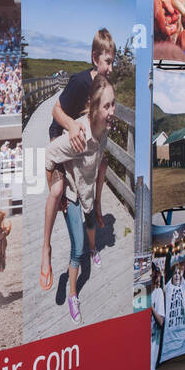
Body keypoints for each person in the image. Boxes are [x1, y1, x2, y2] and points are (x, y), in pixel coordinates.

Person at [39, 29, 114, 290]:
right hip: (61, 133)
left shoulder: (104, 88)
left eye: (113, 61)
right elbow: (55, 109)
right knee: (58, 189)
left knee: (91, 176)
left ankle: (89, 242)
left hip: (83, 143)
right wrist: (70, 125)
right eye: (108, 61)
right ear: (95, 59)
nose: (111, 67)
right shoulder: (82, 82)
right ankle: (46, 248)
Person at [44, 75, 116, 324]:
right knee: (78, 248)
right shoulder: (79, 136)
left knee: (92, 226)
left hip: (87, 193)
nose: (112, 111)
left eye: (113, 104)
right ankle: (73, 293)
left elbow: (97, 164)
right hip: (72, 194)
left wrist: (97, 203)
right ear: (94, 109)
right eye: (106, 106)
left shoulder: (103, 133)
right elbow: (50, 154)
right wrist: (56, 189)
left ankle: (94, 248)